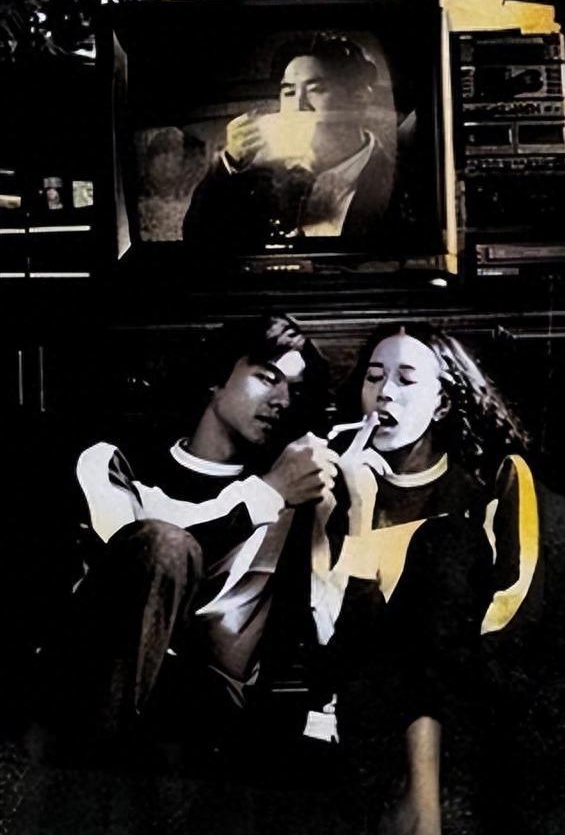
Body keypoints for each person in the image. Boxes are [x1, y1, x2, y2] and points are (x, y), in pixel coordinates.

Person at [306, 322, 565, 835]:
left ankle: (430, 827)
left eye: (406, 379)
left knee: (449, 543)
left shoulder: (479, 496)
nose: (384, 393)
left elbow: (501, 633)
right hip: (370, 701)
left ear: (443, 403)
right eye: (374, 377)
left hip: (469, 702)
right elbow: (330, 640)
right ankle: (422, 829)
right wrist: (356, 512)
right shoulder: (330, 495)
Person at [38, 314, 339, 759]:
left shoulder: (295, 495)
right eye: (267, 377)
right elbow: (139, 572)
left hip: (205, 713)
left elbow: (325, 609)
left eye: (293, 390)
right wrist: (264, 496)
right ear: (217, 378)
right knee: (165, 545)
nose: (281, 400)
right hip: (93, 687)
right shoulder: (117, 462)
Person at [182, 33, 402, 246]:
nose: (298, 106)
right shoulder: (257, 177)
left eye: (316, 90)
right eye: (289, 93)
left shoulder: (399, 181)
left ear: (358, 98)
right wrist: (230, 162)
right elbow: (199, 239)